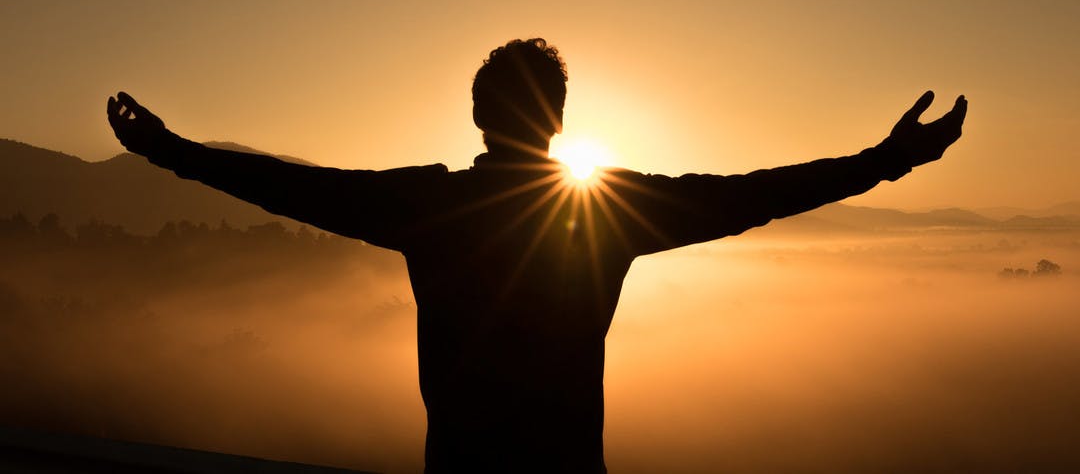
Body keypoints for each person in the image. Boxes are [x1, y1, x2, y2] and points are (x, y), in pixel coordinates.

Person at [107, 38, 967, 474]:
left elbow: (293, 188)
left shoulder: (431, 205)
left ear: (479, 116)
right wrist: (885, 161)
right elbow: (751, 194)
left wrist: (170, 151)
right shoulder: (609, 212)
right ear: (557, 120)